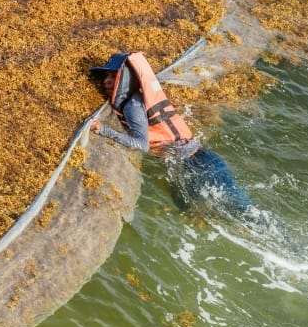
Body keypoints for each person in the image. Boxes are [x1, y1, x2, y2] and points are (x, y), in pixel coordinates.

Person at [88, 52, 255, 220]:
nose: (105, 81)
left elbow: (141, 144)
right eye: (106, 76)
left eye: (113, 76)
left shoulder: (133, 105)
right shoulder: (138, 96)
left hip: (196, 166)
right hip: (200, 160)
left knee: (245, 214)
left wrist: (103, 130)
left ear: (126, 79)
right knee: (209, 213)